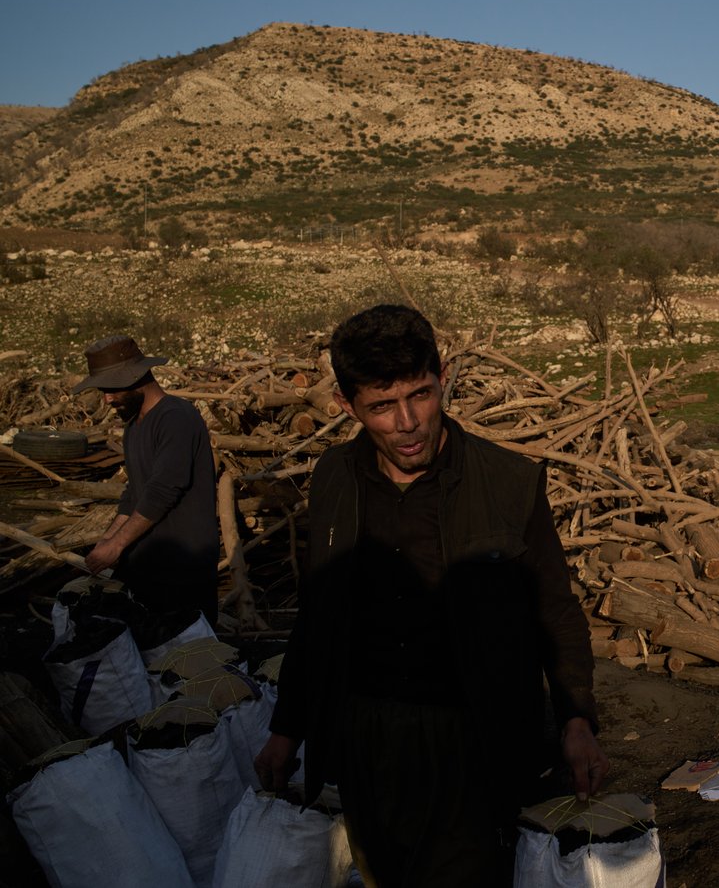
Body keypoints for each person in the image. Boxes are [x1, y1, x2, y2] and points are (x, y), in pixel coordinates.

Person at [254, 304, 606, 886]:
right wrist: (287, 728)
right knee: (382, 871)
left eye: (420, 395)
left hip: (473, 736)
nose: (408, 422)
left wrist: (576, 719)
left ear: (442, 376)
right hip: (366, 733)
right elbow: (319, 615)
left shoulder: (509, 483)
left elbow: (554, 608)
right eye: (381, 407)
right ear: (347, 405)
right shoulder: (335, 479)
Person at [75, 335, 219, 624]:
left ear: (137, 377)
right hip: (149, 565)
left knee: (188, 657)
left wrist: (117, 545)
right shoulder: (133, 426)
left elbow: (162, 490)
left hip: (182, 565)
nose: (107, 398)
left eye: (112, 388)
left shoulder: (175, 418)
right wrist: (109, 538)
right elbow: (134, 493)